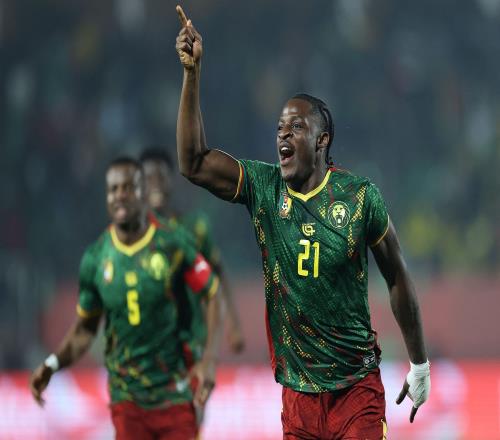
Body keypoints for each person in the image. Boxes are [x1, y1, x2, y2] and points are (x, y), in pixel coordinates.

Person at [174, 6, 430, 440]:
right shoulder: (264, 188)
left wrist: (419, 364)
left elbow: (398, 278)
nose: (283, 134)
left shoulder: (359, 197)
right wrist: (192, 73)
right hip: (297, 397)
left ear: (321, 139)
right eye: (280, 127)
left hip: (355, 391)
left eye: (296, 126)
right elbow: (193, 163)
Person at [30, 156, 221, 440]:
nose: (120, 195)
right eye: (113, 189)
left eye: (128, 188)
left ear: (143, 193)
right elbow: (84, 330)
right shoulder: (96, 258)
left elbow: (212, 292)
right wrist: (51, 365)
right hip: (127, 399)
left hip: (175, 392)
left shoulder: (172, 243)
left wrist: (209, 359)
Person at [139, 147, 245, 358]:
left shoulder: (194, 227)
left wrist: (233, 322)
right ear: (139, 186)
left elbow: (218, 272)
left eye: (161, 177)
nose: (156, 184)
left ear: (171, 181)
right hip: (149, 346)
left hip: (191, 341)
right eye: (149, 178)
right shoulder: (132, 236)